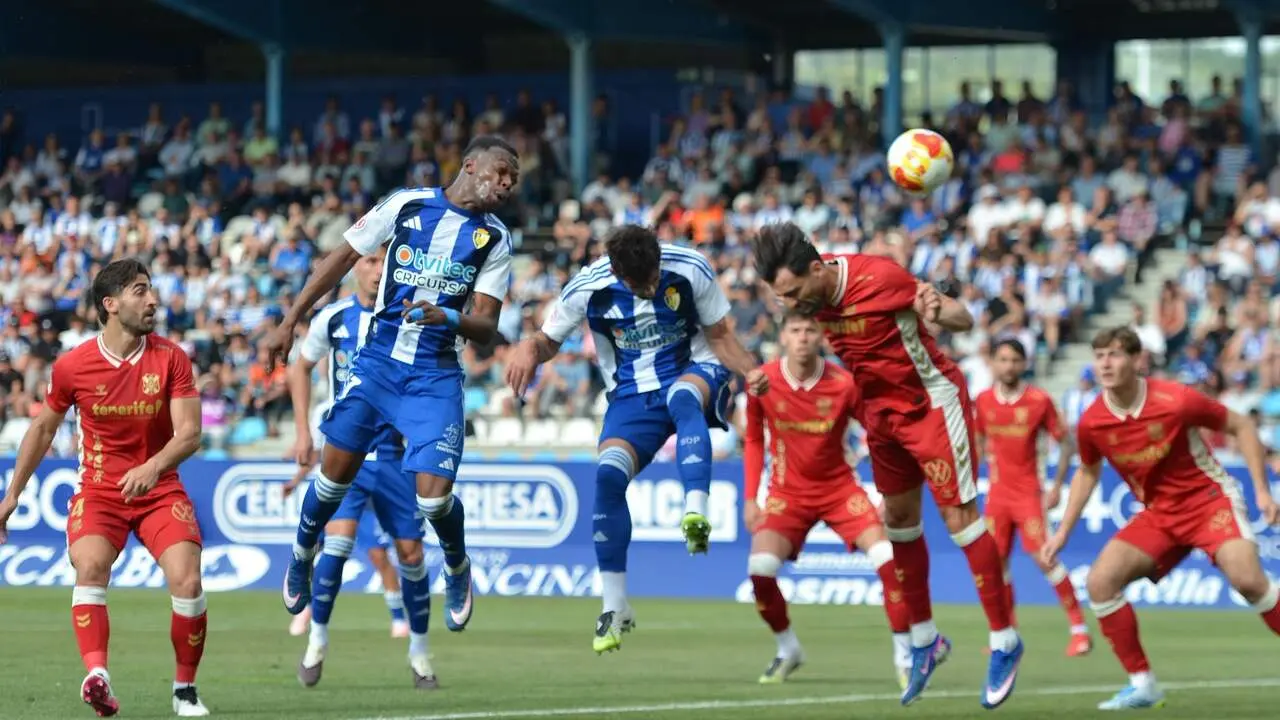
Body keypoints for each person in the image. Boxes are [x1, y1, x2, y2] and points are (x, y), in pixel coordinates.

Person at [263, 135, 518, 687]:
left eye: (512, 180)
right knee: (331, 483)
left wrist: (446, 317)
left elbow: (489, 327)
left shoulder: (494, 239)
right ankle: (302, 551)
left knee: (433, 499)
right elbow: (339, 260)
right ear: (469, 165)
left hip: (434, 377)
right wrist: (291, 319)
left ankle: (456, 564)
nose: (506, 185)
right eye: (500, 172)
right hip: (377, 366)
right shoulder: (407, 205)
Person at [751, 222, 1022, 710]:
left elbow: (961, 319)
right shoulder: (811, 295)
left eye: (793, 292)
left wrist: (940, 307)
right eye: (781, 297)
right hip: (880, 415)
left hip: (931, 405)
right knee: (897, 523)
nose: (790, 305)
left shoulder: (878, 277)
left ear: (817, 270)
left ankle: (1004, 641)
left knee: (961, 523)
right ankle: (925, 640)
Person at [504, 224, 767, 653]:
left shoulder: (690, 268)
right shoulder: (589, 287)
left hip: (695, 368)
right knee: (607, 477)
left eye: (652, 277)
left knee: (683, 397)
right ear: (616, 271)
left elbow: (719, 336)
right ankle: (615, 606)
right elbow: (547, 340)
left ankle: (695, 512)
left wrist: (751, 371)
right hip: (630, 395)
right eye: (638, 283)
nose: (649, 287)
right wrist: (528, 350)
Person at [0, 259, 207, 717]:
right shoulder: (74, 366)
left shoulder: (171, 357)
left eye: (151, 290)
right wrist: (12, 495)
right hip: (99, 491)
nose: (153, 300)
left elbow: (190, 433)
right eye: (140, 291)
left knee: (187, 580)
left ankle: (185, 688)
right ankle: (97, 675)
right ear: (110, 305)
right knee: (90, 565)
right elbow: (41, 431)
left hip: (160, 489)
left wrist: (153, 467)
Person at [1041, 327, 1280, 710]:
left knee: (1249, 580)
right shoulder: (1091, 423)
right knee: (1101, 583)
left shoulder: (1176, 400)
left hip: (1208, 502)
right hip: (1159, 515)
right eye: (1099, 354)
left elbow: (1242, 426)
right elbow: (1087, 472)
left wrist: (1263, 490)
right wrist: (1062, 533)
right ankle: (1143, 685)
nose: (1105, 362)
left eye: (1115, 354)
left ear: (1138, 361)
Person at [281, 245, 428, 687]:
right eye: (369, 261)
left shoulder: (410, 316)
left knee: (412, 555)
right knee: (338, 546)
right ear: (354, 269)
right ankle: (317, 644)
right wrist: (304, 432)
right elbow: (299, 368)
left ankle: (421, 655)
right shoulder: (334, 318)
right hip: (345, 452)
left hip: (394, 456)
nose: (377, 269)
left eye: (386, 262)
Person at [742, 312, 914, 688]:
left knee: (888, 560)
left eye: (810, 330)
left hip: (840, 490)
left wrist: (886, 490)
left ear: (821, 337)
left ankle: (906, 655)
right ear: (783, 337)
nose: (803, 337)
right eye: (795, 330)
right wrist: (750, 498)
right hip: (787, 493)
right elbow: (754, 439)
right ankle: (788, 648)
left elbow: (879, 435)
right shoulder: (763, 382)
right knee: (760, 569)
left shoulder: (844, 384)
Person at [973, 339, 1091, 657]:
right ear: (994, 363)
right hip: (997, 496)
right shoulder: (983, 401)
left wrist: (1056, 486)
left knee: (1045, 557)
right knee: (995, 564)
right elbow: (978, 440)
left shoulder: (1038, 400)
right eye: (1003, 359)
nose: (1008, 365)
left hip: (1028, 494)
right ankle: (1007, 635)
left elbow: (1066, 443)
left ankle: (1079, 630)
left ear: (1024, 364)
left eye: (1014, 360)